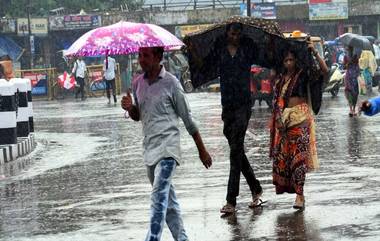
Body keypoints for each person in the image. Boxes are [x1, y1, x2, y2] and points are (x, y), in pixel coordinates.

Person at [121, 47, 212, 241]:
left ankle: (151, 238)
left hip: (168, 151)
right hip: (149, 150)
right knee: (168, 203)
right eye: (139, 55)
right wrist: (130, 108)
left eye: (146, 56)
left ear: (158, 57)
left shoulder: (172, 83)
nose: (141, 60)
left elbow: (188, 120)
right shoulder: (137, 83)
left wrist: (202, 150)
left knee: (158, 198)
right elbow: (140, 116)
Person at [199, 23, 270, 214]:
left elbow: (264, 56)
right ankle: (256, 188)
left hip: (243, 105)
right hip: (227, 105)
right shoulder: (219, 51)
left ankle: (231, 200)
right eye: (232, 33)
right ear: (227, 34)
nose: (235, 37)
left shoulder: (247, 49)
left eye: (238, 34)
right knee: (236, 149)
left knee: (235, 150)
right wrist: (191, 50)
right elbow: (205, 66)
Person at [270, 42, 328, 210]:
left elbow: (324, 71)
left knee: (299, 159)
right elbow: (277, 102)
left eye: (291, 60)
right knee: (285, 158)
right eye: (286, 60)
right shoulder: (281, 80)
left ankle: (300, 196)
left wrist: (315, 53)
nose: (289, 63)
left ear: (296, 61)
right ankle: (293, 190)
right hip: (284, 121)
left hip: (301, 118)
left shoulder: (303, 75)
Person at [343, 46, 360, 117]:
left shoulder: (356, 56)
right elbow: (344, 67)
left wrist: (358, 74)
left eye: (349, 49)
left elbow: (357, 65)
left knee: (355, 93)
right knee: (349, 92)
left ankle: (353, 109)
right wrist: (347, 64)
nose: (348, 50)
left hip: (354, 77)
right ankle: (351, 109)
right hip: (349, 77)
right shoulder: (345, 57)